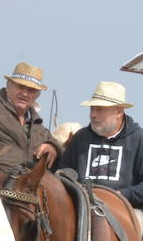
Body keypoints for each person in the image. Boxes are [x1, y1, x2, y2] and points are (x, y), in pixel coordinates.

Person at [57, 81, 143, 211]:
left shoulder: (139, 140)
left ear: (119, 112)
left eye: (99, 109)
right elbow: (63, 175)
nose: (93, 115)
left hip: (126, 211)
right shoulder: (80, 138)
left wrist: (123, 195)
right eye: (92, 108)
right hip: (81, 210)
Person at [0, 62, 59, 175]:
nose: (24, 93)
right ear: (8, 85)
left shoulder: (39, 128)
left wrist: (53, 147)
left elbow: (57, 144)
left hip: (24, 187)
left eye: (30, 90)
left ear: (37, 95)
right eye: (20, 87)